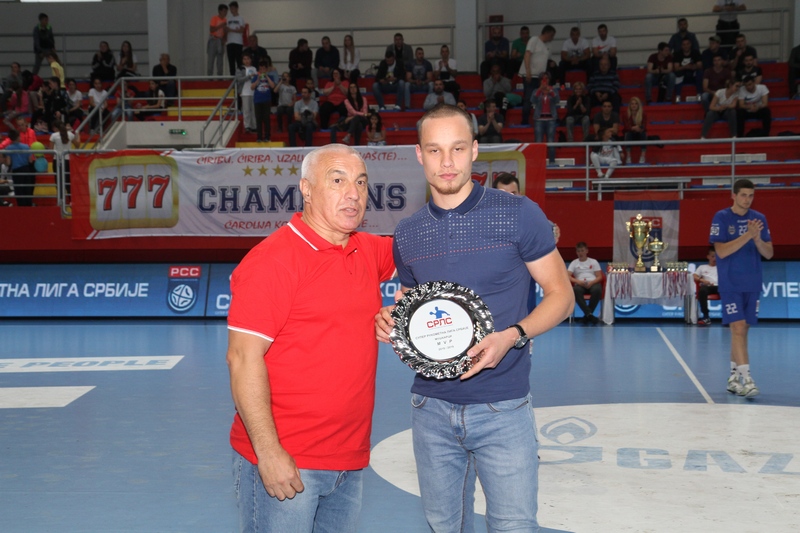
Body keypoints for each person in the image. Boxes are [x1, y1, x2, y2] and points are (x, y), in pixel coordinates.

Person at [375, 103, 573, 532]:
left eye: (458, 148)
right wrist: (391, 321)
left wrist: (513, 335)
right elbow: (414, 306)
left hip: (503, 406)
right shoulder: (407, 232)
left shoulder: (519, 213)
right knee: (444, 526)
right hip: (429, 408)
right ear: (419, 154)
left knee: (513, 526)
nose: (447, 162)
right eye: (435, 150)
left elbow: (562, 296)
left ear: (475, 150)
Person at [226, 144, 395, 532]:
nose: (353, 193)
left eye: (361, 183)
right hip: (289, 462)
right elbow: (242, 359)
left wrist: (404, 309)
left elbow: (429, 254)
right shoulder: (273, 261)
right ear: (306, 188)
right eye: (337, 181)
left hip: (349, 461)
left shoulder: (366, 249)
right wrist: (268, 453)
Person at [709, 178, 772, 398]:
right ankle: (748, 379)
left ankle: (734, 378)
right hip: (731, 282)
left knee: (742, 330)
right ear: (733, 195)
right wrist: (747, 235)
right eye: (743, 195)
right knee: (737, 327)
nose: (747, 199)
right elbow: (721, 251)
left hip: (752, 282)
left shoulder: (759, 219)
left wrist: (757, 239)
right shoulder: (722, 217)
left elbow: (769, 253)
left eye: (751, 195)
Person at [520, 25, 556, 126]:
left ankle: (540, 119)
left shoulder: (548, 45)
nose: (552, 38)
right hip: (531, 75)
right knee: (528, 98)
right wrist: (528, 71)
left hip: (541, 76)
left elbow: (547, 59)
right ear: (547, 33)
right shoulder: (534, 40)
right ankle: (525, 121)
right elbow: (527, 55)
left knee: (542, 98)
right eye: (551, 35)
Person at [567, 241, 603, 324]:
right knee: (575, 290)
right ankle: (589, 315)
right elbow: (567, 276)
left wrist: (591, 283)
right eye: (579, 251)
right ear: (576, 252)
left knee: (597, 289)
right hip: (580, 284)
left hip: (592, 283)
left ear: (587, 251)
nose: (581, 253)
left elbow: (599, 277)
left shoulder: (593, 262)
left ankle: (587, 316)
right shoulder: (574, 263)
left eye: (582, 251)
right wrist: (578, 281)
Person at [531, 72, 559, 163]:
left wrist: (550, 91)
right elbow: (532, 100)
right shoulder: (536, 90)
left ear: (549, 80)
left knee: (551, 141)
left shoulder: (553, 90)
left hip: (551, 119)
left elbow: (557, 100)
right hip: (539, 119)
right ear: (540, 80)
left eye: (546, 78)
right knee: (538, 141)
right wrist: (540, 89)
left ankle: (552, 162)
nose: (545, 80)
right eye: (543, 79)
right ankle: (538, 162)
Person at [49, 119, 78, 197]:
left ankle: (61, 200)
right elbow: (77, 145)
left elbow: (50, 151)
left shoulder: (53, 135)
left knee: (59, 181)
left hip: (57, 160)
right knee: (68, 181)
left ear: (55, 128)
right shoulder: (70, 134)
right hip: (68, 161)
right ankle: (71, 200)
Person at [4, 129, 32, 207]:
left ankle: (21, 207)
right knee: (27, 189)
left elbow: (8, 163)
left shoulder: (8, 148)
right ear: (18, 137)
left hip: (16, 171)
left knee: (19, 190)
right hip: (26, 169)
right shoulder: (26, 146)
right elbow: (30, 160)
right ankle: (29, 206)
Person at [252, 59, 278, 143]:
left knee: (266, 119)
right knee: (258, 119)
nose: (262, 70)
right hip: (257, 100)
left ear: (266, 69)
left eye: (264, 69)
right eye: (260, 69)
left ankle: (267, 136)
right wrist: (258, 79)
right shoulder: (256, 77)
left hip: (266, 100)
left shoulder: (270, 77)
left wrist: (266, 76)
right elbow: (252, 87)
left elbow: (273, 86)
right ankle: (259, 137)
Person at [736, 73, 770, 137]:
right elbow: (741, 105)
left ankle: (766, 134)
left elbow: (765, 103)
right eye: (746, 85)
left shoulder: (762, 87)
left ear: (754, 83)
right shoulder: (742, 89)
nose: (748, 87)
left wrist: (758, 107)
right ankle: (740, 136)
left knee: (766, 111)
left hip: (758, 110)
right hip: (747, 110)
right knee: (739, 112)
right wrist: (749, 107)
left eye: (750, 84)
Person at [693, 247, 719, 326]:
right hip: (708, 287)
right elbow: (694, 276)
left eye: (716, 256)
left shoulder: (722, 267)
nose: (714, 258)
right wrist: (702, 280)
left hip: (720, 286)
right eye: (713, 256)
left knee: (728, 290)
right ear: (708, 257)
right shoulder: (702, 267)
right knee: (702, 291)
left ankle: (728, 317)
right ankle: (706, 316)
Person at [623, 97, 647, 164]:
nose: (634, 105)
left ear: (638, 105)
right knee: (628, 134)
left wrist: (639, 128)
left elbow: (644, 126)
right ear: (630, 105)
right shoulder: (625, 114)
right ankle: (628, 156)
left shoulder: (643, 114)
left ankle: (642, 156)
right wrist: (633, 128)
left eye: (636, 104)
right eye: (632, 104)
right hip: (630, 133)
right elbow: (626, 127)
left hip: (639, 133)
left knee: (643, 134)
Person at [225, 1, 245, 76]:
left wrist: (232, 30)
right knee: (231, 61)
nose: (232, 10)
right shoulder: (229, 19)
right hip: (230, 42)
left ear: (237, 8)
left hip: (238, 42)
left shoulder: (241, 18)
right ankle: (232, 77)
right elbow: (226, 29)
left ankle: (240, 76)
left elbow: (242, 30)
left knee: (239, 61)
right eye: (231, 9)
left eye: (233, 8)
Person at [207, 4, 228, 77]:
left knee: (220, 60)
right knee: (211, 59)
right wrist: (221, 25)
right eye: (224, 11)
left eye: (226, 11)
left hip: (220, 40)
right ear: (220, 11)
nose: (225, 13)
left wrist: (224, 39)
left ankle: (220, 77)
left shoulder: (225, 20)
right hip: (213, 39)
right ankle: (210, 77)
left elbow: (225, 31)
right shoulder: (214, 18)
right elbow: (211, 29)